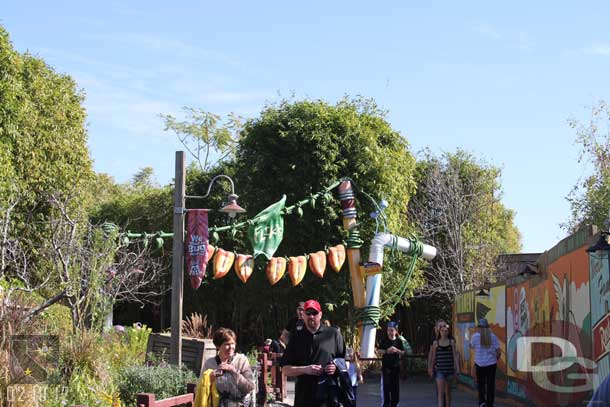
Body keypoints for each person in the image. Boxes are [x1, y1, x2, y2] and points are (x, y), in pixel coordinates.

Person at [282, 299, 346, 407]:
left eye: (314, 313)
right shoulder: (296, 337)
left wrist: (335, 367)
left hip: (328, 397)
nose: (311, 316)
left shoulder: (333, 334)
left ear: (320, 315)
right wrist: (305, 369)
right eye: (308, 313)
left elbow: (346, 363)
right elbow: (285, 369)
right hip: (304, 397)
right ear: (303, 315)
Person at [202, 327, 256, 407]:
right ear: (218, 346)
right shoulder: (210, 363)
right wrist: (210, 378)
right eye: (227, 344)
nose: (231, 347)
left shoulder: (241, 360)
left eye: (233, 343)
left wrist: (233, 371)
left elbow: (250, 387)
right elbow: (200, 388)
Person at [469, 318, 500, 407]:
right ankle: (490, 403)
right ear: (487, 327)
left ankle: (482, 402)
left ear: (479, 327)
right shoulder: (493, 336)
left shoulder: (475, 336)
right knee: (491, 385)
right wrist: (496, 358)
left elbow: (471, 346)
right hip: (491, 364)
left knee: (481, 384)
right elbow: (498, 352)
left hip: (479, 364)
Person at [428, 322, 460, 407]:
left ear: (448, 332)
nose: (444, 332)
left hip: (449, 370)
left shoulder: (451, 342)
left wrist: (457, 368)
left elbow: (454, 355)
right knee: (441, 394)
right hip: (440, 370)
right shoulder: (436, 343)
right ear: (439, 332)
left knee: (448, 393)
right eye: (442, 331)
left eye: (446, 331)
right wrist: (431, 368)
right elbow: (434, 357)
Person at [378, 321, 405, 407]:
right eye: (388, 330)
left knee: (395, 388)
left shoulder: (398, 341)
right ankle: (386, 404)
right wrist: (386, 351)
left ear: (396, 331)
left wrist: (397, 350)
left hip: (395, 368)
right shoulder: (384, 340)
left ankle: (395, 404)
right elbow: (378, 350)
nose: (390, 332)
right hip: (386, 368)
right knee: (386, 388)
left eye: (392, 330)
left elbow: (403, 352)